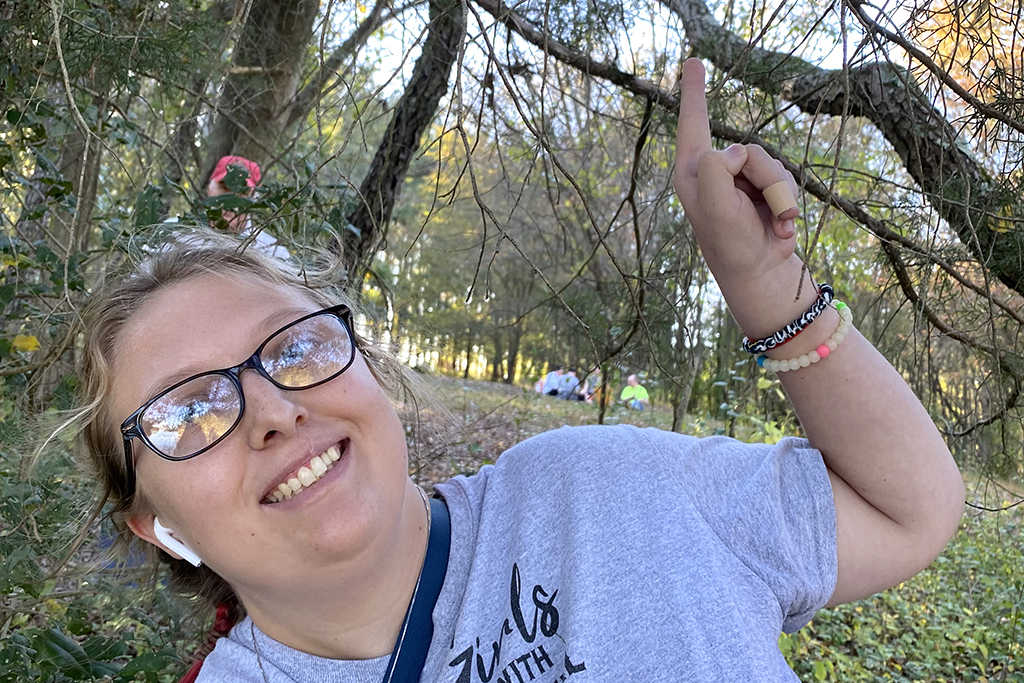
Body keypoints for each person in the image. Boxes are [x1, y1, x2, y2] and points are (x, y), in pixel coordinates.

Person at [64, 58, 964, 683]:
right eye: (187, 411)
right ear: (154, 522)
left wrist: (771, 289)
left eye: (294, 345)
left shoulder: (610, 489)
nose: (270, 410)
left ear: (365, 366)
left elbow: (910, 511)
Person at [206, 155, 289, 260]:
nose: (232, 198)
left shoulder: (274, 254)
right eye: (225, 187)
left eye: (243, 191)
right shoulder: (181, 236)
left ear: (255, 199)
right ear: (209, 189)